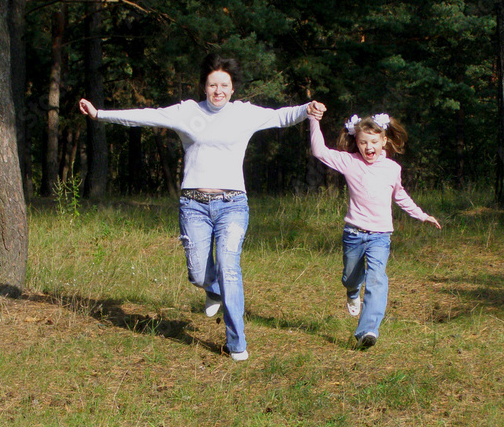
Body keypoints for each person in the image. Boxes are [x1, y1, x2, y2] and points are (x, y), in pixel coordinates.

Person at [80, 54, 325, 361]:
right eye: (212, 85)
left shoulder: (244, 114)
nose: (218, 90)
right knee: (197, 273)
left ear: (233, 88)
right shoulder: (187, 112)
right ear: (204, 86)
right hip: (193, 205)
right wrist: (100, 113)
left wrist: (308, 109)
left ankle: (237, 344)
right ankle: (213, 290)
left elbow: (281, 116)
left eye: (224, 85)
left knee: (229, 267)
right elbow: (146, 115)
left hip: (232, 205)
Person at [308, 110, 441, 349]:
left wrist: (422, 215)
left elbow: (400, 196)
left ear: (384, 141)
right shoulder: (350, 162)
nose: (368, 147)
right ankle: (352, 291)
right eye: (362, 142)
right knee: (350, 276)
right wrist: (313, 120)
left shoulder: (392, 168)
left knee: (377, 279)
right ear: (356, 143)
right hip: (354, 233)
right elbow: (319, 151)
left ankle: (367, 330)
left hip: (381, 236)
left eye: (373, 142)